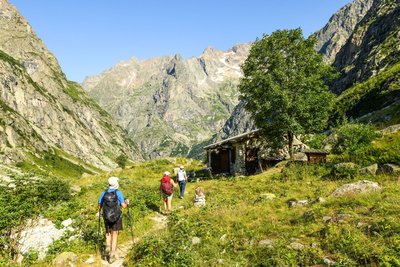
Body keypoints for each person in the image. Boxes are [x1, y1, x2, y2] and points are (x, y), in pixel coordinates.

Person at [98, 176, 129, 263]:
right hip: (116, 217)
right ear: (116, 184)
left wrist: (102, 212)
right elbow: (123, 206)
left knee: (108, 232)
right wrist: (127, 202)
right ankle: (112, 254)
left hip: (106, 216)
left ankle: (107, 246)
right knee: (115, 234)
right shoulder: (118, 193)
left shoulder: (103, 193)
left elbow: (99, 205)